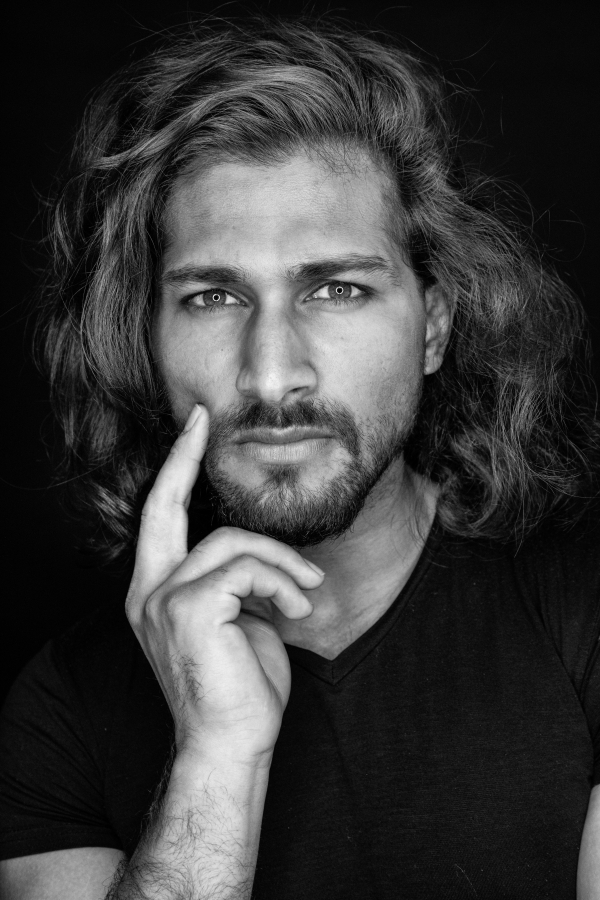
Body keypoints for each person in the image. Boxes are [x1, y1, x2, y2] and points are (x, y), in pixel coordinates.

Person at [0, 16, 598, 899]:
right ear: (147, 338)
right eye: (213, 296)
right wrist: (216, 755)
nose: (273, 373)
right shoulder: (61, 708)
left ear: (433, 328)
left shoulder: (582, 608)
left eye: (337, 288)